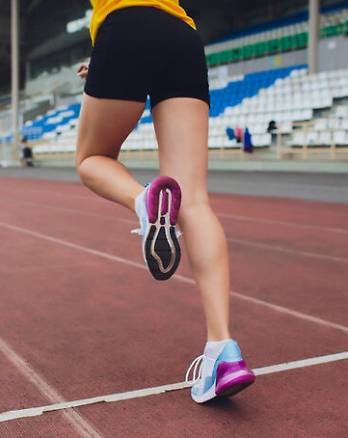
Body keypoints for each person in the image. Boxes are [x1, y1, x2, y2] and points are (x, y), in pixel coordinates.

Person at [75, 0, 254, 403]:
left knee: (91, 159)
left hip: (122, 27)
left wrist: (107, 57)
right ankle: (223, 351)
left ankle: (144, 202)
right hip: (181, 38)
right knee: (194, 202)